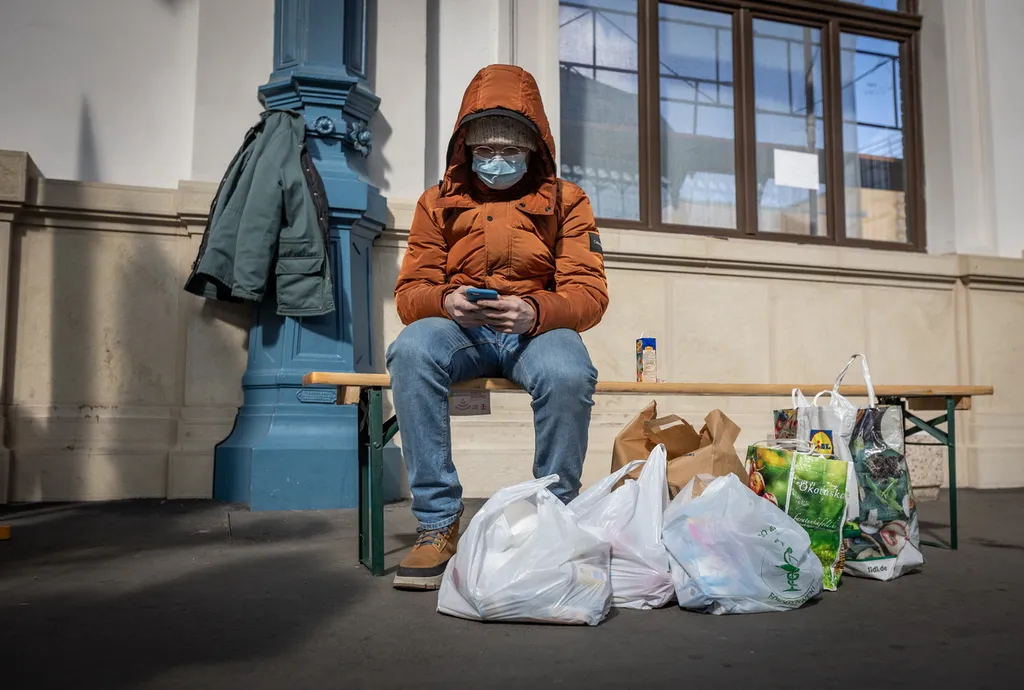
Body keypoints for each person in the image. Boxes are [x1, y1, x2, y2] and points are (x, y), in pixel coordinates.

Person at [386, 64, 609, 590]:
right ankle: (438, 523)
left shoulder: (569, 201)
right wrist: (447, 300)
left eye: (511, 150)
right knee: (411, 350)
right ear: (465, 148)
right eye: (484, 151)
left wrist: (536, 311)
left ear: (536, 149)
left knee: (568, 372)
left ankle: (554, 520)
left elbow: (591, 293)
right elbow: (409, 293)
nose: (497, 162)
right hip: (459, 329)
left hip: (536, 329)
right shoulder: (436, 201)